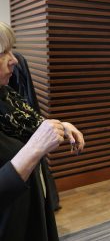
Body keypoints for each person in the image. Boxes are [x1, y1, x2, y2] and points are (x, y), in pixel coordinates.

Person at [0, 21, 85, 241]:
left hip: (29, 213)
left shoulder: (6, 96)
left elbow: (30, 122)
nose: (14, 61)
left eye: (11, 50)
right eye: (2, 53)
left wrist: (58, 126)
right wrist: (34, 148)